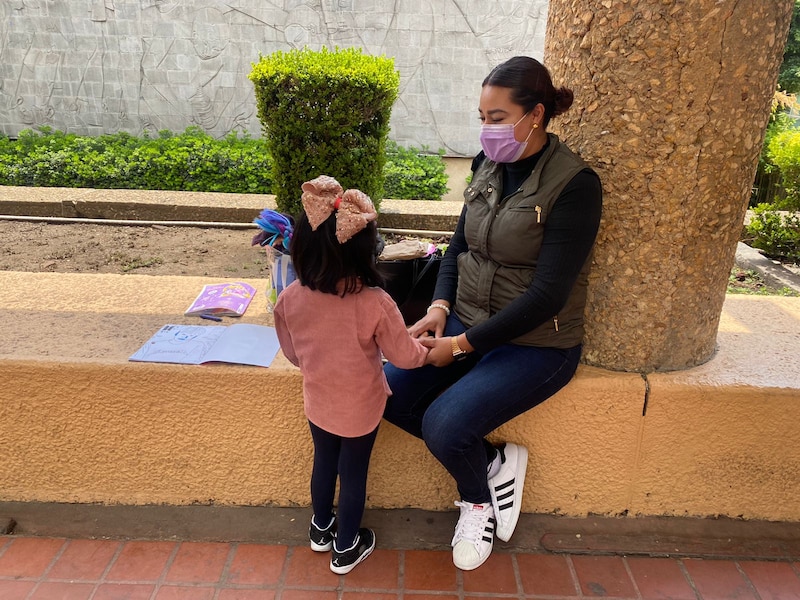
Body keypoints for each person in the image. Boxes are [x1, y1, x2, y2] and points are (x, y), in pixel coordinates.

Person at [383, 56, 603, 571]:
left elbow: (548, 295)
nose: (487, 130)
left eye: (498, 117)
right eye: (482, 117)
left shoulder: (575, 186)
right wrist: (440, 309)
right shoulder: (489, 166)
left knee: (445, 424)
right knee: (387, 393)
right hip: (467, 320)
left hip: (537, 343)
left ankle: (477, 501)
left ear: (536, 115)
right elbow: (459, 245)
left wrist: (459, 347)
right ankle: (493, 461)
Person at [273, 175, 429, 575]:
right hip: (361, 408)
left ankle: (321, 529)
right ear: (365, 252)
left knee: (324, 461)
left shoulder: (290, 297)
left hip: (318, 401)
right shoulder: (376, 301)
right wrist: (426, 347)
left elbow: (293, 353)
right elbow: (405, 358)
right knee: (353, 473)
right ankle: (346, 548)